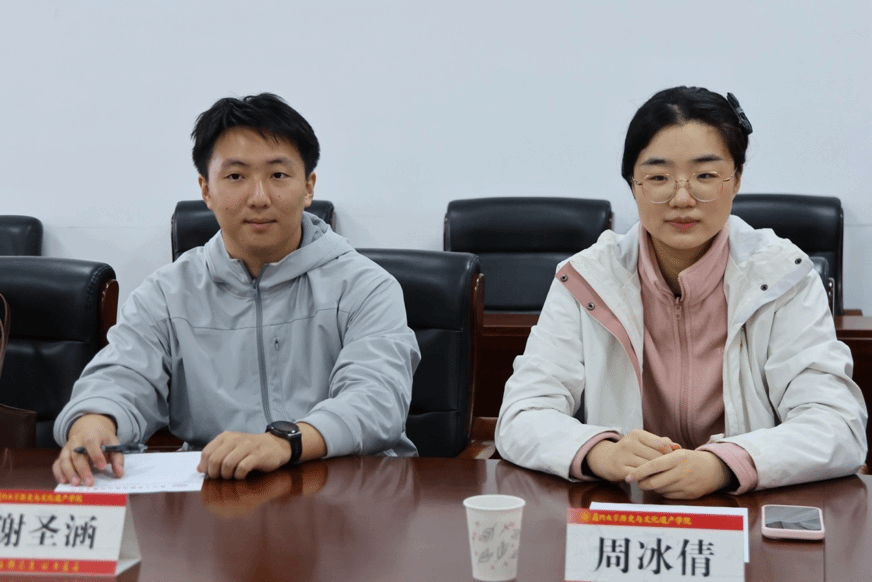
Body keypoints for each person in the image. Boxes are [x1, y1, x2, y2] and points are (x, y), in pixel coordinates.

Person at [495, 86, 867, 499]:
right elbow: (522, 415)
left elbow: (837, 426)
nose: (683, 198)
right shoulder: (587, 279)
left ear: (736, 180)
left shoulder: (784, 277)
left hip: (745, 507)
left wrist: (725, 463)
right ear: (633, 184)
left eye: (705, 176)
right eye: (658, 178)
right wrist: (602, 452)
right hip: (625, 509)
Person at [53, 93, 420, 485]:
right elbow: (121, 377)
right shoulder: (166, 293)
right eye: (235, 177)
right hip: (216, 491)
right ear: (206, 190)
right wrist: (95, 422)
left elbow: (376, 401)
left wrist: (285, 442)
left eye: (278, 175)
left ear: (308, 187)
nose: (259, 198)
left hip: (346, 490)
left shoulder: (365, 286)